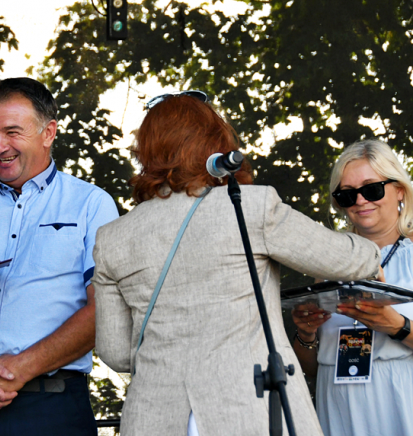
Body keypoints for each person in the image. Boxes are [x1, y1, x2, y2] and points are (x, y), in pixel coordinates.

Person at [92, 92, 382, 436]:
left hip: (154, 418)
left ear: (147, 153)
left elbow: (116, 352)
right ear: (215, 145)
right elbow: (345, 259)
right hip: (249, 410)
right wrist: (372, 253)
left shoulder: (112, 238)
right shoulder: (251, 206)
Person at [0, 77, 119, 436]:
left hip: (51, 408)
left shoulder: (91, 204)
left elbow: (104, 310)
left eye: (12, 132)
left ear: (49, 132)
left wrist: (21, 368)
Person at [291, 139, 413, 436]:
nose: (359, 201)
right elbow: (314, 368)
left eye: (371, 189)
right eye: (347, 195)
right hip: (338, 400)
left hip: (400, 396)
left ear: (399, 190)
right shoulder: (330, 264)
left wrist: (397, 326)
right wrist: (306, 334)